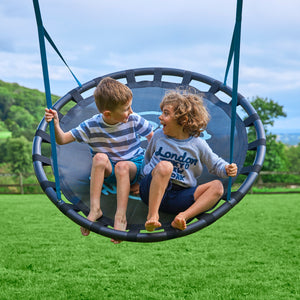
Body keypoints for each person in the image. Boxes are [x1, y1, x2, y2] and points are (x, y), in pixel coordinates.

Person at [45, 77, 153, 243]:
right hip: (111, 170)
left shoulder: (134, 119)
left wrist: (147, 177)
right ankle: (95, 209)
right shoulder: (91, 125)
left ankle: (121, 216)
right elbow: (63, 140)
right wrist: (55, 124)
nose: (130, 111)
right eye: (126, 109)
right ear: (107, 114)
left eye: (130, 106)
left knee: (123, 166)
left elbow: (154, 142)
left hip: (133, 166)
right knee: (99, 158)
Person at [139, 91, 237, 231]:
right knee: (165, 167)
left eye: (166, 113)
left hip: (179, 197)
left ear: (183, 120)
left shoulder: (198, 144)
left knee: (217, 187)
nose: (160, 117)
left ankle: (182, 217)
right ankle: (153, 216)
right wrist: (139, 181)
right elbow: (147, 161)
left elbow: (215, 164)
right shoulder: (158, 136)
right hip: (151, 190)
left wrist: (227, 169)